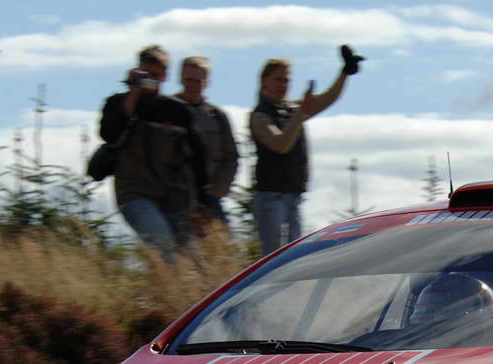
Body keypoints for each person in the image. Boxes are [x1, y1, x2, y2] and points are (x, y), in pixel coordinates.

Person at [250, 45, 362, 256]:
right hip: (271, 198)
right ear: (264, 81)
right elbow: (281, 145)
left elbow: (328, 98)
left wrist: (344, 73)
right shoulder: (260, 115)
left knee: (293, 258)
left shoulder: (291, 109)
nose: (283, 85)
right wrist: (300, 114)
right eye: (278, 79)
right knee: (274, 259)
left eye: (286, 80)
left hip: (293, 196)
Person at [100, 44, 209, 262]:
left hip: (174, 198)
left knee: (195, 262)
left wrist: (201, 202)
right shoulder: (117, 104)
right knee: (163, 246)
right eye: (146, 74)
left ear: (165, 76)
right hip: (134, 193)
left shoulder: (176, 110)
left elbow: (197, 158)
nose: (151, 79)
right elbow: (109, 135)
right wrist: (133, 93)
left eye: (156, 75)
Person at [175, 56, 237, 226]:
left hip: (209, 197)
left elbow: (231, 156)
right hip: (176, 198)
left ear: (206, 83)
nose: (193, 85)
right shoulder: (167, 109)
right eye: (189, 79)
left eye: (198, 81)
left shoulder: (217, 116)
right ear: (181, 79)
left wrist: (220, 188)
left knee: (221, 240)